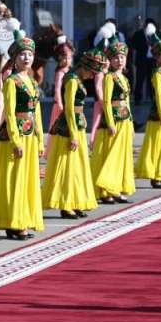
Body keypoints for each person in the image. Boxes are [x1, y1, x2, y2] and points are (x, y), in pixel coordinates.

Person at [0, 24, 44, 241]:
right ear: (15, 58)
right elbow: (9, 112)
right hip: (15, 137)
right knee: (15, 179)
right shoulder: (11, 82)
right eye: (22, 55)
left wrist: (40, 139)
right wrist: (16, 140)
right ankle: (15, 222)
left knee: (27, 180)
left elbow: (37, 112)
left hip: (30, 136)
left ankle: (22, 220)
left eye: (30, 54)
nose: (27, 58)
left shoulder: (33, 82)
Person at [41, 47, 104, 219]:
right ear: (86, 67)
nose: (92, 76)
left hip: (78, 126)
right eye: (92, 72)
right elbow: (68, 108)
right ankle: (66, 204)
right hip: (69, 129)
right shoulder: (72, 80)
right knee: (68, 168)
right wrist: (74, 134)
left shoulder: (78, 79)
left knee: (77, 168)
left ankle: (75, 202)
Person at [90, 38, 135, 204]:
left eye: (122, 57)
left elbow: (127, 102)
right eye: (115, 57)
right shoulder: (109, 78)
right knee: (111, 156)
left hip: (125, 121)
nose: (119, 60)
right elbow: (107, 101)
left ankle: (115, 188)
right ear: (110, 60)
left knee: (121, 156)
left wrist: (131, 122)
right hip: (114, 121)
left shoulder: (124, 78)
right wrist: (109, 122)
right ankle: (106, 191)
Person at [136, 37, 161, 189]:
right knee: (158, 145)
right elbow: (159, 95)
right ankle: (155, 177)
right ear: (156, 57)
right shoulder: (157, 73)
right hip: (159, 114)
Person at [129, 19, 158, 105]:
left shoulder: (154, 34)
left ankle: (153, 98)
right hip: (141, 61)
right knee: (139, 81)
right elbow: (133, 44)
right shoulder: (138, 34)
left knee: (152, 81)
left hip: (152, 60)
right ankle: (137, 99)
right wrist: (145, 44)